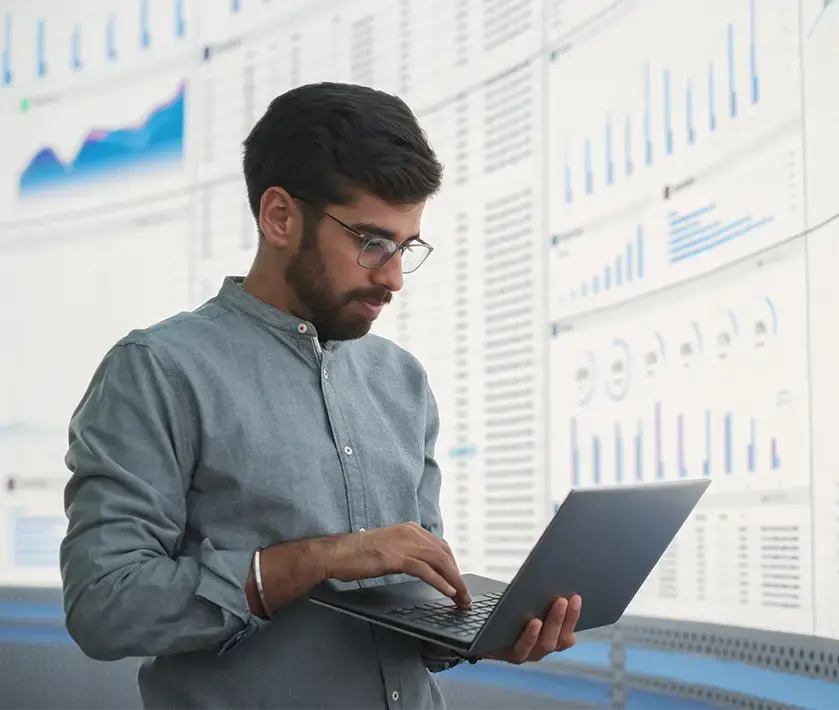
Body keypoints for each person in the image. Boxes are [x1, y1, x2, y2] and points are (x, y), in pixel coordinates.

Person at [59, 82, 582, 710]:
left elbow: (413, 602)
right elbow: (104, 605)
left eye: (405, 247)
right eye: (371, 243)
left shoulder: (403, 381)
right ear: (280, 216)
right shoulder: (157, 372)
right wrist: (318, 560)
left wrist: (478, 633)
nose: (392, 276)